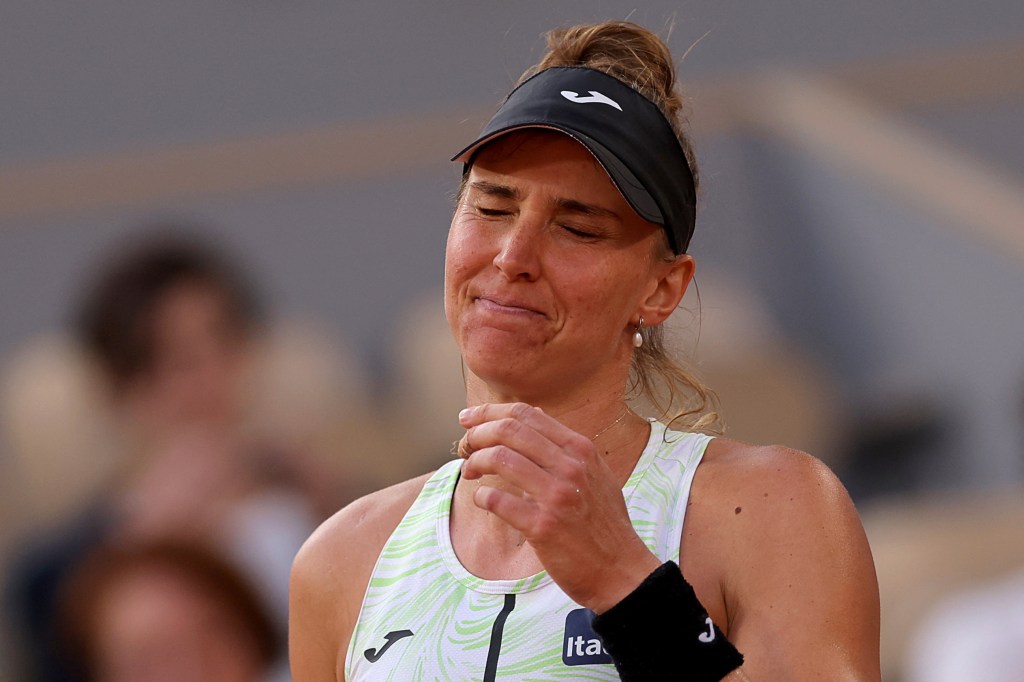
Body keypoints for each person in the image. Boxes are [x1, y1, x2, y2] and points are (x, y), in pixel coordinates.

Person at [290, 20, 880, 681]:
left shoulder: (773, 506)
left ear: (661, 290)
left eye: (577, 229)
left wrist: (624, 582)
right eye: (490, 208)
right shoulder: (344, 560)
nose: (513, 257)